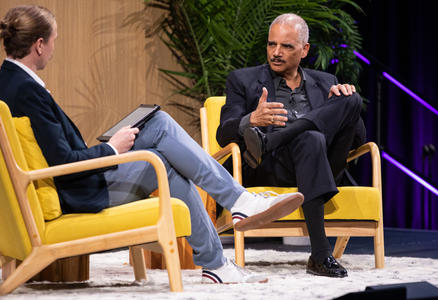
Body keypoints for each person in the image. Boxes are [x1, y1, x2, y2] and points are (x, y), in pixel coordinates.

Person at [0, 5, 304, 284]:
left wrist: (114, 145)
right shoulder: (28, 91)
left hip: (74, 183)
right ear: (39, 44)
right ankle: (237, 210)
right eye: (53, 41)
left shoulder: (9, 82)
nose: (54, 48)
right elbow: (64, 162)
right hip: (79, 190)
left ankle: (219, 258)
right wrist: (112, 148)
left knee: (162, 149)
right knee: (159, 128)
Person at [217, 13, 367, 278]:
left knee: (352, 99)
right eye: (271, 44)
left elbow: (358, 141)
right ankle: (321, 256)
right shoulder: (243, 80)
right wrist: (250, 120)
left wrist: (341, 104)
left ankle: (271, 139)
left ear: (304, 49)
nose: (276, 52)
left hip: (322, 165)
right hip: (271, 165)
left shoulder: (326, 82)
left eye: (286, 46)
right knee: (311, 137)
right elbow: (223, 133)